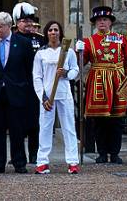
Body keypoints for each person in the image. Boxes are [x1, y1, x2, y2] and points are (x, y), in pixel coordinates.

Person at [77, 5, 127, 164]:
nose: (101, 22)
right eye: (98, 20)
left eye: (104, 19)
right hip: (98, 81)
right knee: (99, 120)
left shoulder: (121, 39)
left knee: (116, 121)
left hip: (117, 80)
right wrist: (78, 52)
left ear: (110, 22)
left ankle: (115, 153)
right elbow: (81, 63)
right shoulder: (89, 41)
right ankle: (102, 152)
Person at [0, 11, 35, 174]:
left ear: (9, 26)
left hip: (16, 91)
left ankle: (19, 162)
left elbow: (28, 68)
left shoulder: (23, 43)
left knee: (17, 129)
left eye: (0, 26)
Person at [32, 21, 80, 174]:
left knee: (69, 127)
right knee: (45, 128)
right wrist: (43, 96)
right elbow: (37, 76)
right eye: (51, 30)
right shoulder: (41, 53)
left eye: (56, 30)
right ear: (47, 33)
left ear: (60, 33)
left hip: (64, 93)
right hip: (48, 96)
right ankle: (42, 161)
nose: (53, 32)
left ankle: (72, 161)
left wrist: (66, 73)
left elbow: (75, 70)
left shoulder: (68, 52)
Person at [12, 2, 44, 164]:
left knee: (35, 122)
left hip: (35, 85)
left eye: (30, 21)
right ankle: (17, 155)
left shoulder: (40, 40)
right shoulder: (12, 39)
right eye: (24, 21)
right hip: (17, 84)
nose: (28, 24)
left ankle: (34, 153)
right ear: (17, 22)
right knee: (16, 124)